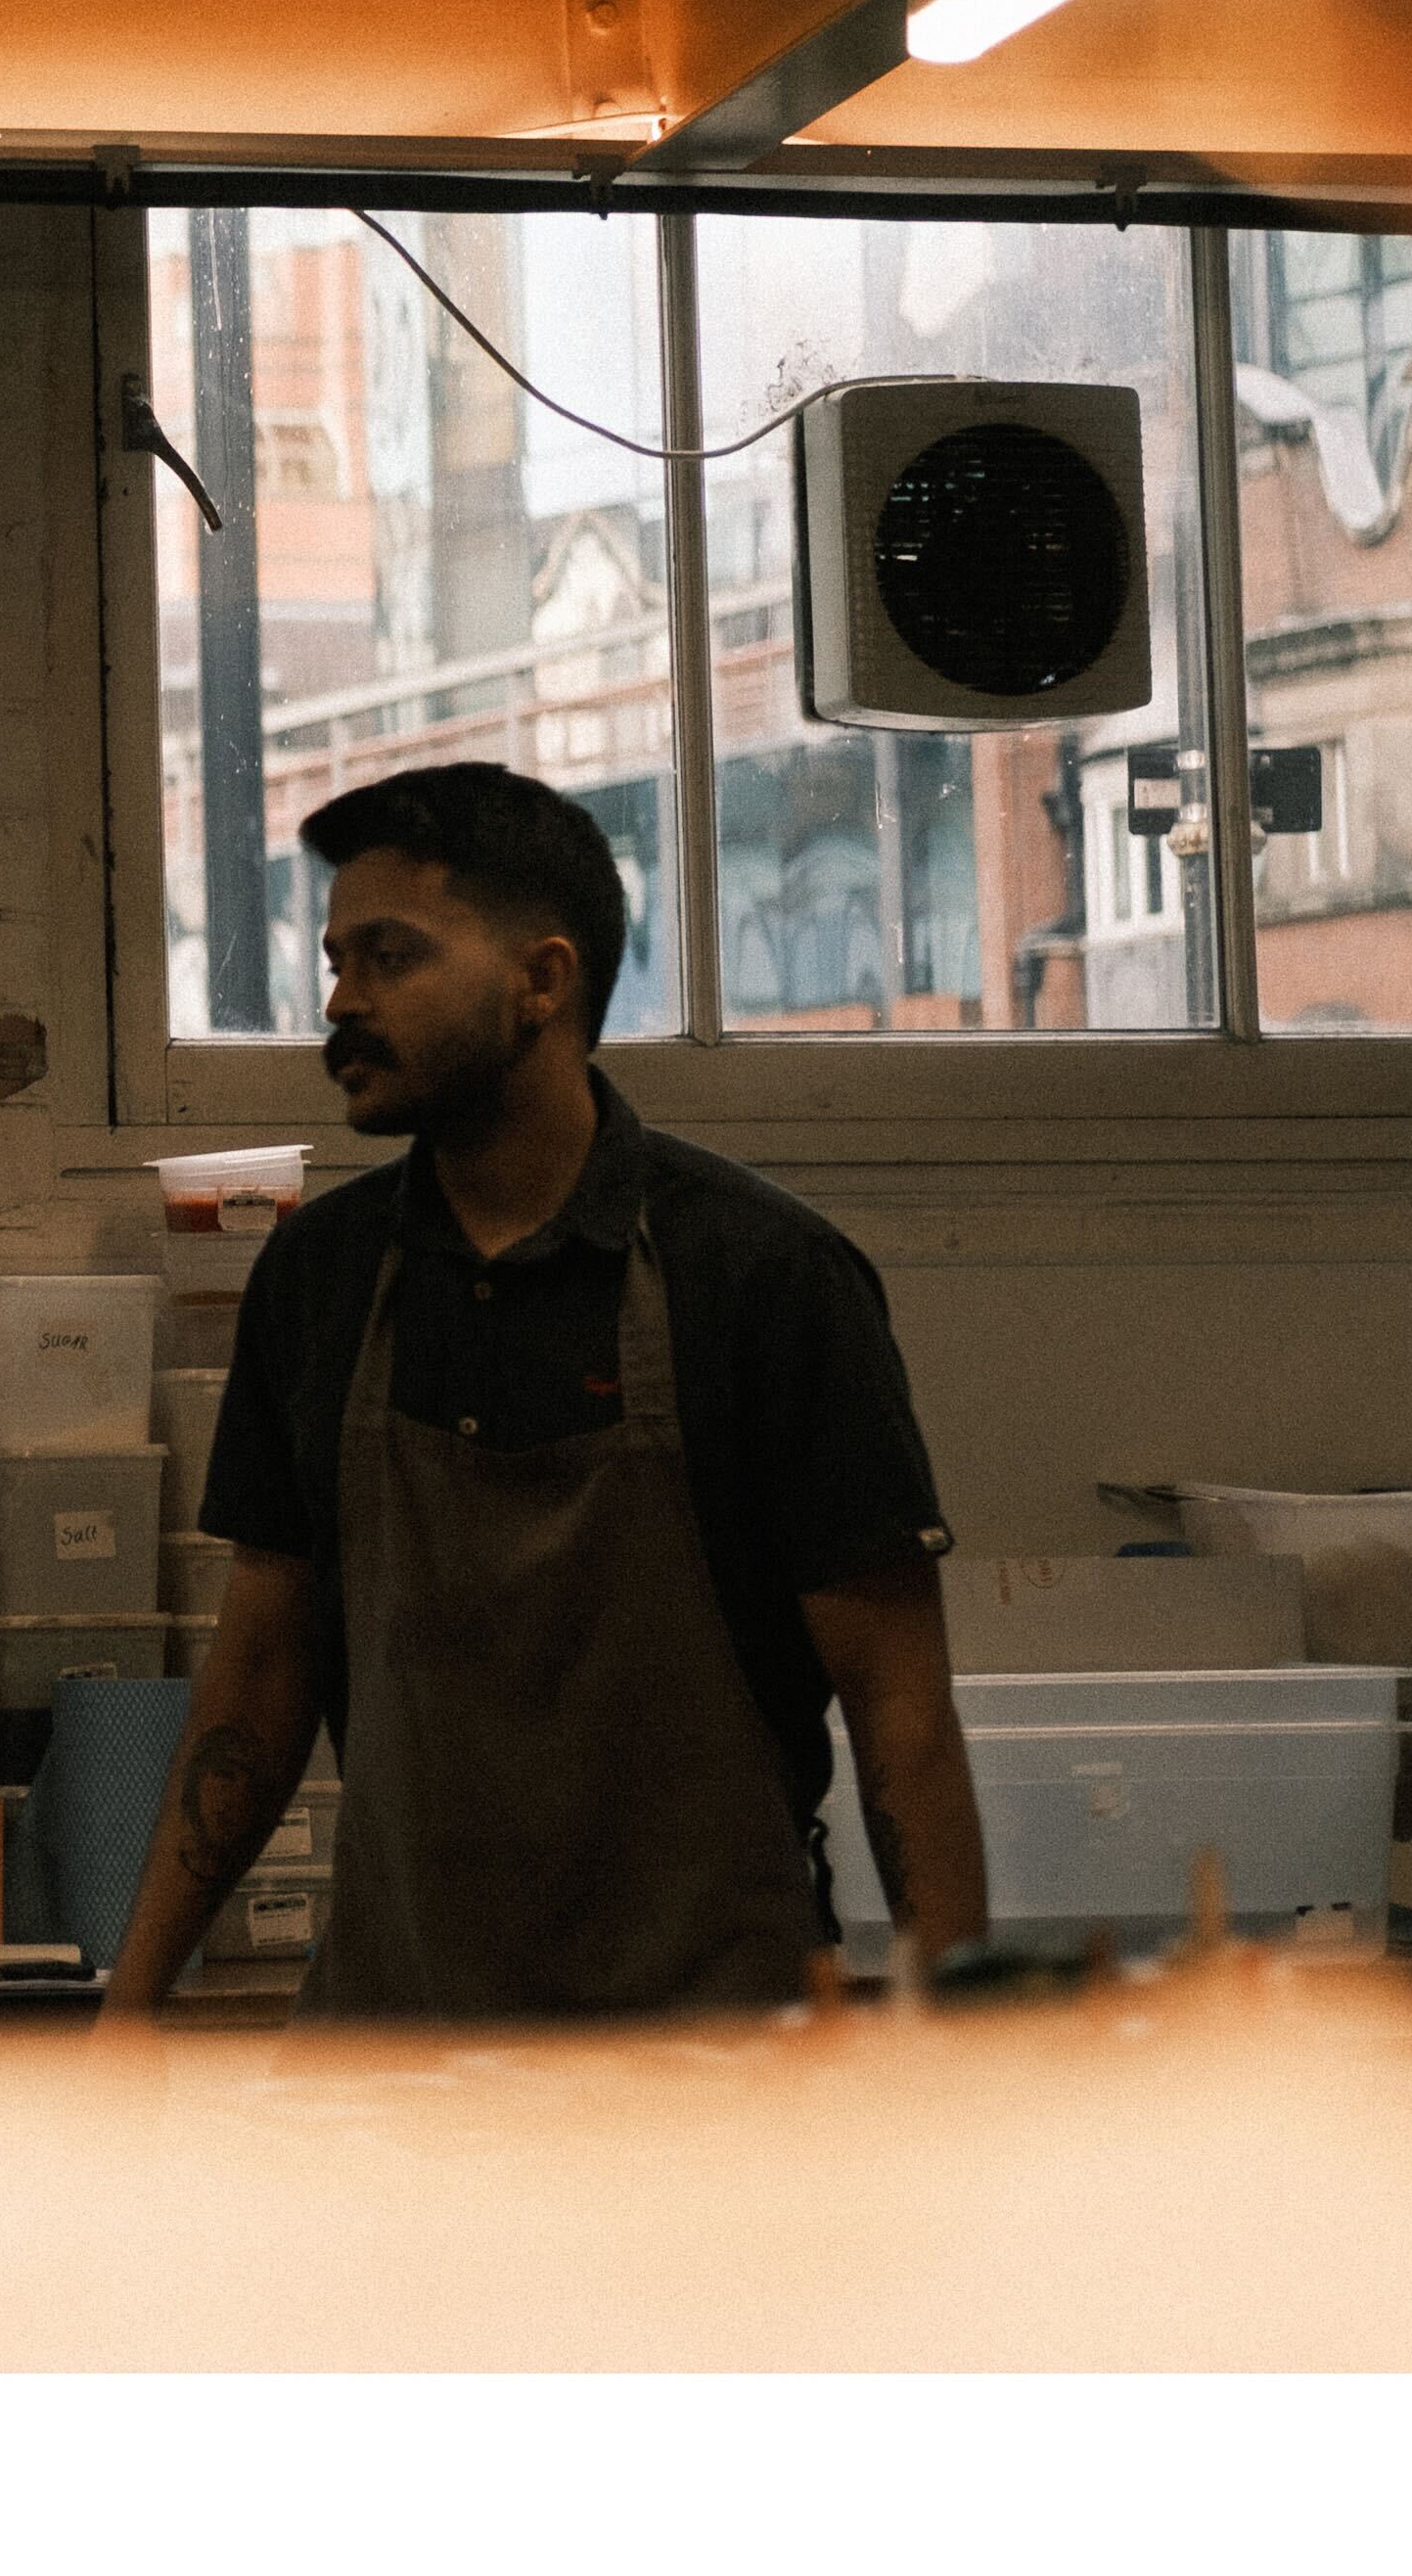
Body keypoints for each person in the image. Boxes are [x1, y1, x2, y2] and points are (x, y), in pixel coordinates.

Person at [98, 762, 984, 2028]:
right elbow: (262, 1666)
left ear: (544, 979)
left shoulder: (766, 1277)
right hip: (389, 2067)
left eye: (390, 955)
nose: (340, 1002)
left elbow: (903, 1717)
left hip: (712, 2082)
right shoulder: (321, 1276)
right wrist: (130, 2002)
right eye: (336, 959)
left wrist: (963, 2047)